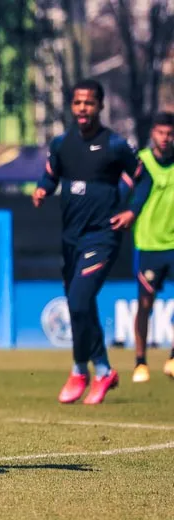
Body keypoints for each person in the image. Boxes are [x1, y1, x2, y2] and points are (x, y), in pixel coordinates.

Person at [32, 78, 139, 404]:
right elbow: (51, 174)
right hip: (71, 239)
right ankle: (104, 370)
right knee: (82, 306)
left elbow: (143, 177)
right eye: (77, 102)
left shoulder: (116, 145)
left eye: (88, 103)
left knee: (78, 301)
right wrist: (42, 189)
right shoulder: (62, 144)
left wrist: (131, 211)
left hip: (103, 236)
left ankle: (80, 369)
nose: (82, 108)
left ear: (100, 106)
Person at [130, 112, 174, 382]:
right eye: (160, 133)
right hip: (148, 243)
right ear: (152, 134)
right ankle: (140, 361)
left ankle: (173, 358)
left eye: (170, 133)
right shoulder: (141, 163)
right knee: (145, 304)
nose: (165, 138)